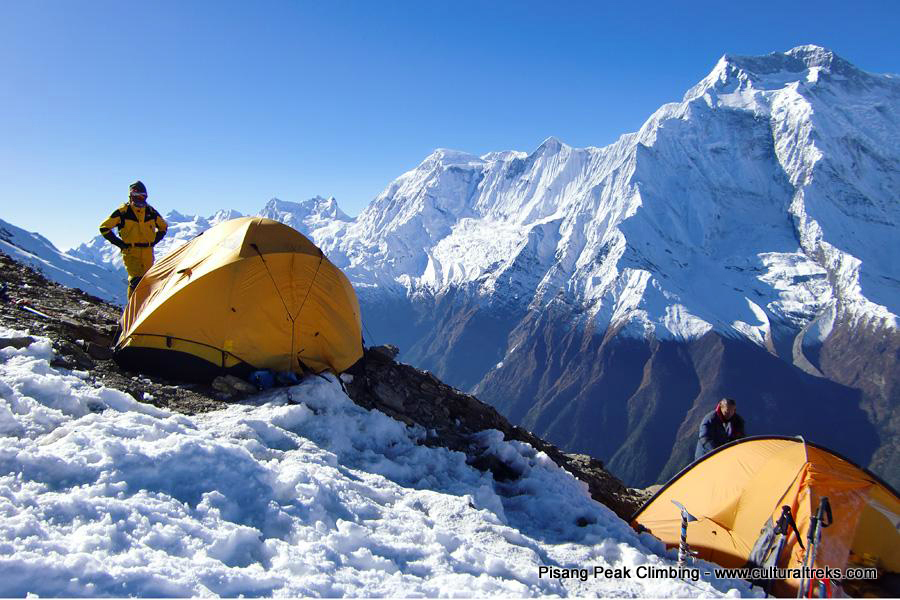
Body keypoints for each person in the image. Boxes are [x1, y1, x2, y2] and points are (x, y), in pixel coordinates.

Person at [99, 181, 168, 298]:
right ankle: (132, 309)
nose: (140, 199)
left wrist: (154, 242)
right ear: (131, 196)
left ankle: (145, 308)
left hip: (147, 252)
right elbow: (104, 228)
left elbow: (163, 227)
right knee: (136, 280)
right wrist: (120, 244)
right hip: (131, 251)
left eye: (143, 196)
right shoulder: (122, 212)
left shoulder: (151, 212)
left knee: (147, 280)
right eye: (138, 196)